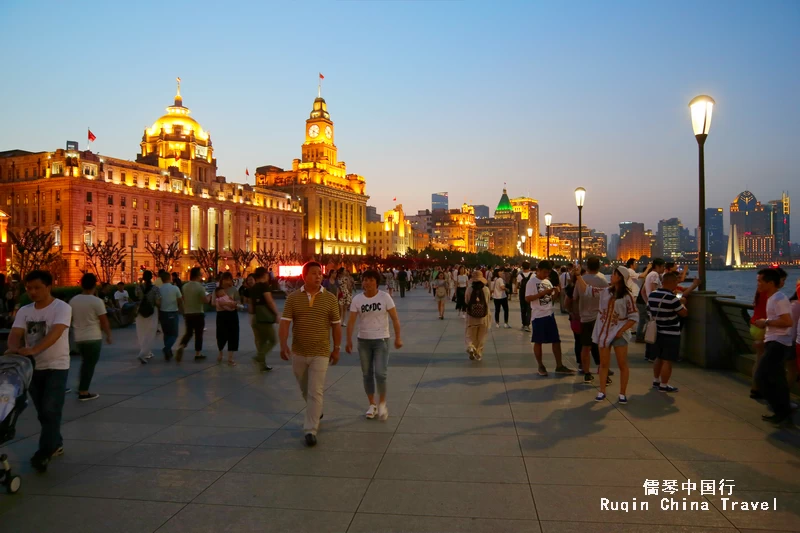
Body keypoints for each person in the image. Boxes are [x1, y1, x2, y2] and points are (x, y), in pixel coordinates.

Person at [5, 270, 72, 472]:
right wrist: (13, 348)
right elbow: (16, 333)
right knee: (44, 412)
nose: (32, 292)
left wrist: (34, 349)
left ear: (48, 287)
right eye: (29, 288)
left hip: (57, 366)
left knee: (51, 408)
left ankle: (44, 453)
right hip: (31, 368)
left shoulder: (62, 308)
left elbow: (56, 332)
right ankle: (56, 442)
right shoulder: (25, 311)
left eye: (37, 288)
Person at [279, 262, 342, 447]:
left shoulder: (330, 298)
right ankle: (317, 410)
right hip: (299, 351)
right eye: (313, 273)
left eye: (319, 273)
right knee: (304, 387)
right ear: (304, 276)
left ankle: (310, 429)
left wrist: (336, 348)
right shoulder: (293, 298)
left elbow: (336, 325)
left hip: (321, 351)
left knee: (315, 390)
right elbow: (284, 323)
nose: (318, 276)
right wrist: (283, 345)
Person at [574, 265, 638, 404]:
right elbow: (587, 290)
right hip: (604, 332)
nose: (612, 276)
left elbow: (634, 317)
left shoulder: (628, 297)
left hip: (619, 333)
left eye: (614, 274)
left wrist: (621, 331)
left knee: (622, 364)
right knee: (603, 364)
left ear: (620, 277)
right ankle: (602, 391)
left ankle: (622, 393)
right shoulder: (605, 292)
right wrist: (578, 276)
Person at [346, 269, 402, 420]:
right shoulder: (357, 299)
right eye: (365, 280)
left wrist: (398, 337)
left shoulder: (385, 297)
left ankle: (382, 402)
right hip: (363, 340)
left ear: (377, 282)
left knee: (380, 373)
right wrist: (348, 340)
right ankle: (372, 404)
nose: (368, 283)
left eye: (371, 280)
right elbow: (351, 321)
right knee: (367, 373)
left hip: (381, 340)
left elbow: (395, 319)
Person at [752, 268, 794, 425]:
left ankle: (781, 410)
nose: (758, 284)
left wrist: (766, 322)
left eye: (760, 281)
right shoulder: (772, 298)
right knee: (778, 379)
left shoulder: (779, 299)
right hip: (774, 341)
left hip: (779, 343)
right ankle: (783, 413)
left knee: (762, 376)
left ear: (770, 283)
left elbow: (787, 322)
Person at [649, 272, 701, 392]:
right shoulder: (672, 298)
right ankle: (664, 385)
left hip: (657, 332)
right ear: (672, 282)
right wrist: (682, 303)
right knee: (667, 360)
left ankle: (656, 381)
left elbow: (649, 310)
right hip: (671, 333)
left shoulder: (652, 295)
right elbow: (683, 313)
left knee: (658, 357)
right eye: (676, 282)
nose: (677, 284)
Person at [526, 260, 574, 376]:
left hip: (549, 314)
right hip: (538, 316)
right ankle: (541, 366)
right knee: (538, 341)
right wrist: (542, 293)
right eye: (544, 272)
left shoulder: (548, 281)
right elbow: (527, 298)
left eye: (548, 273)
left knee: (556, 341)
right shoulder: (532, 282)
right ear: (538, 270)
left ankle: (559, 365)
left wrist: (556, 293)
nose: (546, 275)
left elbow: (552, 299)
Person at [69, 273, 112, 401]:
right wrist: (108, 334)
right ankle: (83, 391)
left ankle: (82, 386)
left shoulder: (73, 300)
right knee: (89, 364)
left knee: (85, 362)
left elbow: (69, 318)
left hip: (79, 337)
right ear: (95, 284)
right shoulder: (97, 301)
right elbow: (103, 320)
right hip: (93, 337)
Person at [574, 257, 608, 384]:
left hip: (584, 318)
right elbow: (608, 298)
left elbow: (574, 297)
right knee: (601, 347)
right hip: (599, 318)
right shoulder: (603, 279)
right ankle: (602, 371)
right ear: (599, 266)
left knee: (585, 347)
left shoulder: (580, 280)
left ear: (587, 267)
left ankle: (587, 373)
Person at [176, 267, 210, 362]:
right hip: (198, 313)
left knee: (189, 332)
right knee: (199, 334)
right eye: (201, 274)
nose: (201, 276)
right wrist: (209, 297)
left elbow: (183, 299)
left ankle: (181, 345)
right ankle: (198, 353)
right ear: (197, 275)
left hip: (188, 313)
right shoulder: (200, 287)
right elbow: (205, 300)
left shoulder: (185, 287)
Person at [249, 267, 280, 372]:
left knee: (261, 342)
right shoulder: (264, 286)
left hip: (256, 318)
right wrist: (276, 313)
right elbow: (269, 301)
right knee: (273, 340)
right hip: (265, 318)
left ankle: (262, 365)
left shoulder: (253, 287)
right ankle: (259, 357)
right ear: (264, 275)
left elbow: (250, 306)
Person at [214, 272, 241, 366]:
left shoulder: (234, 290)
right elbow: (213, 303)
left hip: (232, 314)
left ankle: (230, 357)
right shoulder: (217, 290)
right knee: (221, 334)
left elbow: (238, 301)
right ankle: (220, 352)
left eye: (229, 279)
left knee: (233, 335)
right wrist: (224, 304)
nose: (228, 281)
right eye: (226, 279)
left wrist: (234, 304)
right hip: (221, 314)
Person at [638, 258, 666, 347]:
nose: (664, 269)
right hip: (655, 306)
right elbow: (654, 289)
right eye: (663, 267)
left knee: (650, 327)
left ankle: (649, 352)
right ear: (657, 266)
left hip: (650, 304)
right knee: (655, 330)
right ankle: (653, 352)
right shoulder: (654, 275)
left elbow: (643, 291)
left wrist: (648, 302)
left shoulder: (649, 274)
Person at [464, 270, 491, 361]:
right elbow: (487, 302)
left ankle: (471, 347)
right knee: (482, 335)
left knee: (470, 334)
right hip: (483, 316)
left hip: (471, 316)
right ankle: (479, 352)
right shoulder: (486, 289)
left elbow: (466, 301)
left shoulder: (469, 289)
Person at [135, 270, 160, 364]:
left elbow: (137, 295)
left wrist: (140, 283)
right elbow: (158, 302)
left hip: (140, 311)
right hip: (151, 311)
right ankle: (143, 353)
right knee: (150, 332)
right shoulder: (155, 288)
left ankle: (146, 352)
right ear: (151, 277)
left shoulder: (138, 287)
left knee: (141, 332)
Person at [157, 270, 183, 361]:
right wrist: (181, 309)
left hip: (163, 313)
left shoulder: (159, 289)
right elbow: (180, 300)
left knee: (166, 333)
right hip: (172, 312)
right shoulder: (175, 288)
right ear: (170, 278)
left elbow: (158, 302)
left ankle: (168, 351)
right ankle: (167, 348)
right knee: (174, 334)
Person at [517, 262, 534, 332]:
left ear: (522, 267)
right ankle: (527, 324)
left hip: (522, 294)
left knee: (523, 309)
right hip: (530, 293)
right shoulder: (533, 275)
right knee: (529, 309)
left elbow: (518, 285)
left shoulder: (519, 275)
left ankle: (524, 324)